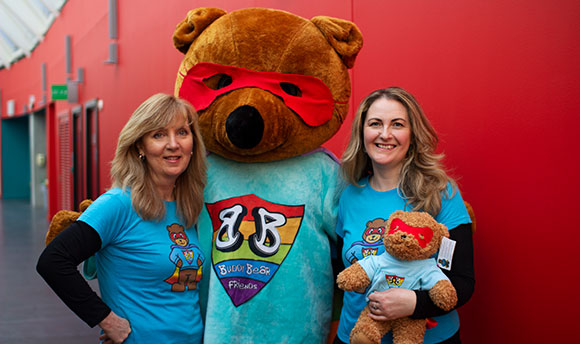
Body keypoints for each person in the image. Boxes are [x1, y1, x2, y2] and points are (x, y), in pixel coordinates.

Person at [37, 93, 207, 344]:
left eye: (182, 132)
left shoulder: (190, 204)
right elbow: (53, 261)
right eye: (158, 135)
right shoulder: (118, 204)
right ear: (140, 146)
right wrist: (106, 319)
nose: (173, 144)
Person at [334, 87, 474, 343]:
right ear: (362, 133)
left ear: (412, 135)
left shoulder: (441, 193)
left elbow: (462, 284)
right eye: (375, 123)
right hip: (355, 335)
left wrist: (414, 303)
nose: (385, 134)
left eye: (397, 124)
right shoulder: (348, 196)